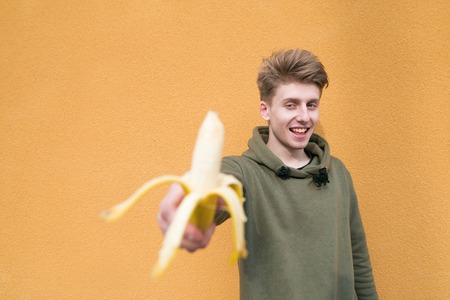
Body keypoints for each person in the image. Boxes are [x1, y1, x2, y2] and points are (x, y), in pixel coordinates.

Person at [157, 49, 378, 299]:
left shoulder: (337, 172)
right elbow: (218, 181)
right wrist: (191, 196)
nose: (304, 116)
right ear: (266, 110)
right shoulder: (246, 173)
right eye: (291, 104)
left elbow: (358, 256)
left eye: (311, 105)